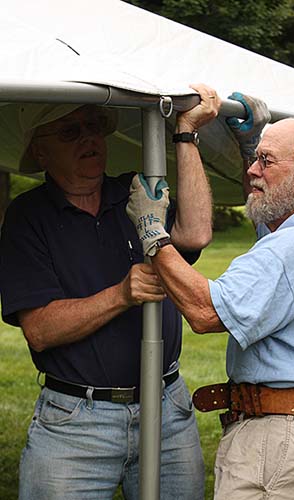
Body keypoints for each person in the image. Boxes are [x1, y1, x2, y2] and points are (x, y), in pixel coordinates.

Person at [126, 93, 294, 500]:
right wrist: (252, 144)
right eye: (257, 158)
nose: (252, 171)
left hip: (282, 436)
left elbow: (204, 311)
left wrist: (152, 232)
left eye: (266, 161)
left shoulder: (291, 250)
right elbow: (272, 232)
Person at [0, 83, 221, 500]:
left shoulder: (136, 192)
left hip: (167, 407)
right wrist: (122, 294)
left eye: (93, 126)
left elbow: (195, 233)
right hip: (75, 423)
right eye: (69, 132)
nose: (88, 138)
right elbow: (40, 330)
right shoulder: (28, 218)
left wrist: (187, 136)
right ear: (41, 153)